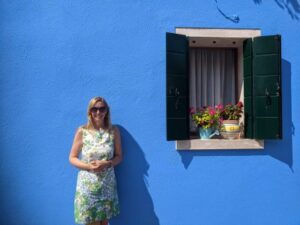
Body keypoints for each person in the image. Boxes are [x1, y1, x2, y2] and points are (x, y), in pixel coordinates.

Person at [69, 96, 122, 225]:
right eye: (94, 109)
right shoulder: (83, 131)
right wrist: (88, 166)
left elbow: (119, 156)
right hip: (88, 187)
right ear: (89, 112)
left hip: (107, 186)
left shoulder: (113, 131)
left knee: (104, 223)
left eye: (102, 109)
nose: (98, 112)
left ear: (107, 111)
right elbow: (72, 157)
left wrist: (107, 163)